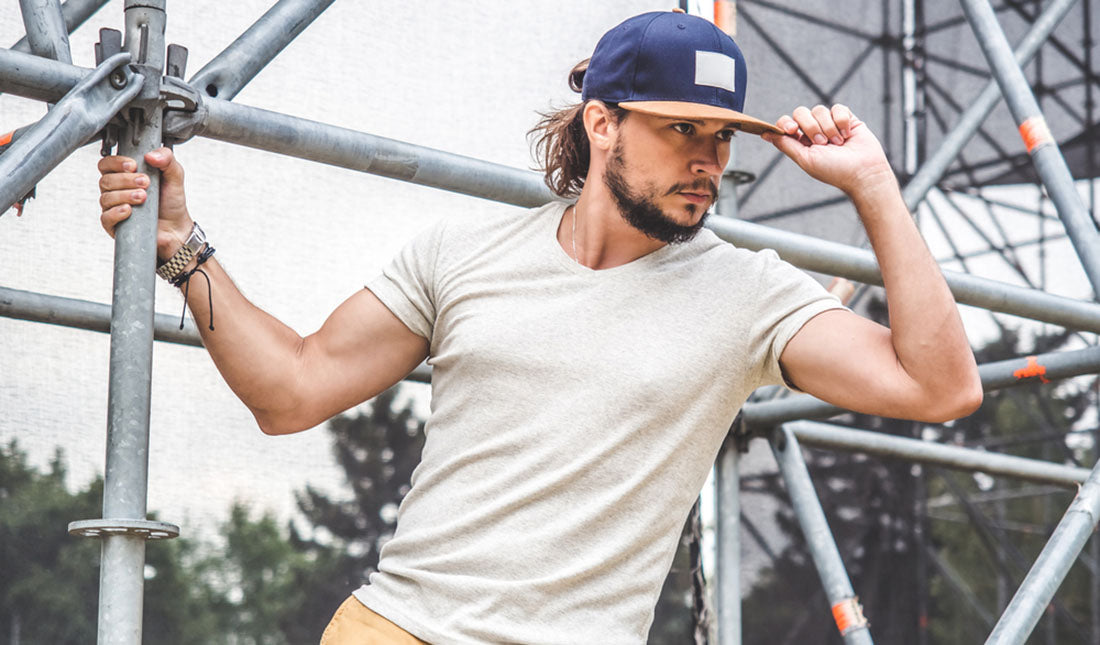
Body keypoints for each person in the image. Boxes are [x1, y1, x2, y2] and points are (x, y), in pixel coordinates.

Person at [96, 10, 981, 644]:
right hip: (395, 629)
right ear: (604, 123)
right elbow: (290, 390)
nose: (707, 162)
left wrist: (873, 188)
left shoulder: (748, 294)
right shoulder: (462, 253)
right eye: (682, 132)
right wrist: (180, 244)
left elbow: (941, 387)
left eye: (721, 139)